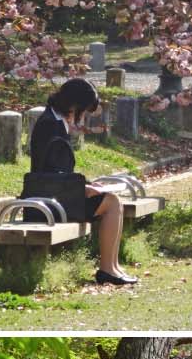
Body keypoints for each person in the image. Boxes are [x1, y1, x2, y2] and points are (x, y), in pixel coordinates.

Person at [29, 78, 137, 289]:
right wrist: (84, 187)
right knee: (112, 202)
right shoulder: (52, 125)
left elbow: (57, 169)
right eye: (84, 111)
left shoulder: (54, 121)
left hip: (55, 195)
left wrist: (86, 184)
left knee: (112, 201)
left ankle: (113, 266)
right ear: (75, 105)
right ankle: (107, 268)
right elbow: (51, 172)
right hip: (52, 200)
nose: (83, 117)